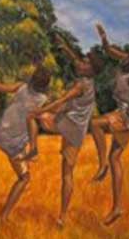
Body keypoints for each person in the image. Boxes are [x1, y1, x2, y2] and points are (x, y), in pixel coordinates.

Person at [26, 34, 104, 227]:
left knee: (35, 115)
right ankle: (62, 216)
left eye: (85, 63)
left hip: (66, 123)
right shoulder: (90, 82)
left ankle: (34, 148)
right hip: (77, 131)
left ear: (91, 70)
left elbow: (61, 101)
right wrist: (65, 47)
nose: (80, 64)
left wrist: (40, 110)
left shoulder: (80, 84)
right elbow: (75, 61)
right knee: (67, 173)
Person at [0, 67, 51, 221]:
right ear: (45, 85)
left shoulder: (21, 87)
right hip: (14, 143)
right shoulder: (42, 100)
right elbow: (42, 122)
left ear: (32, 79)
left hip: (1, 131)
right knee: (24, 178)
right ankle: (3, 216)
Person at [88, 25, 129, 225]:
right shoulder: (125, 59)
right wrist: (104, 36)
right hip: (121, 110)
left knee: (95, 124)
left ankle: (102, 165)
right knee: (115, 157)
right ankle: (117, 208)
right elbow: (108, 50)